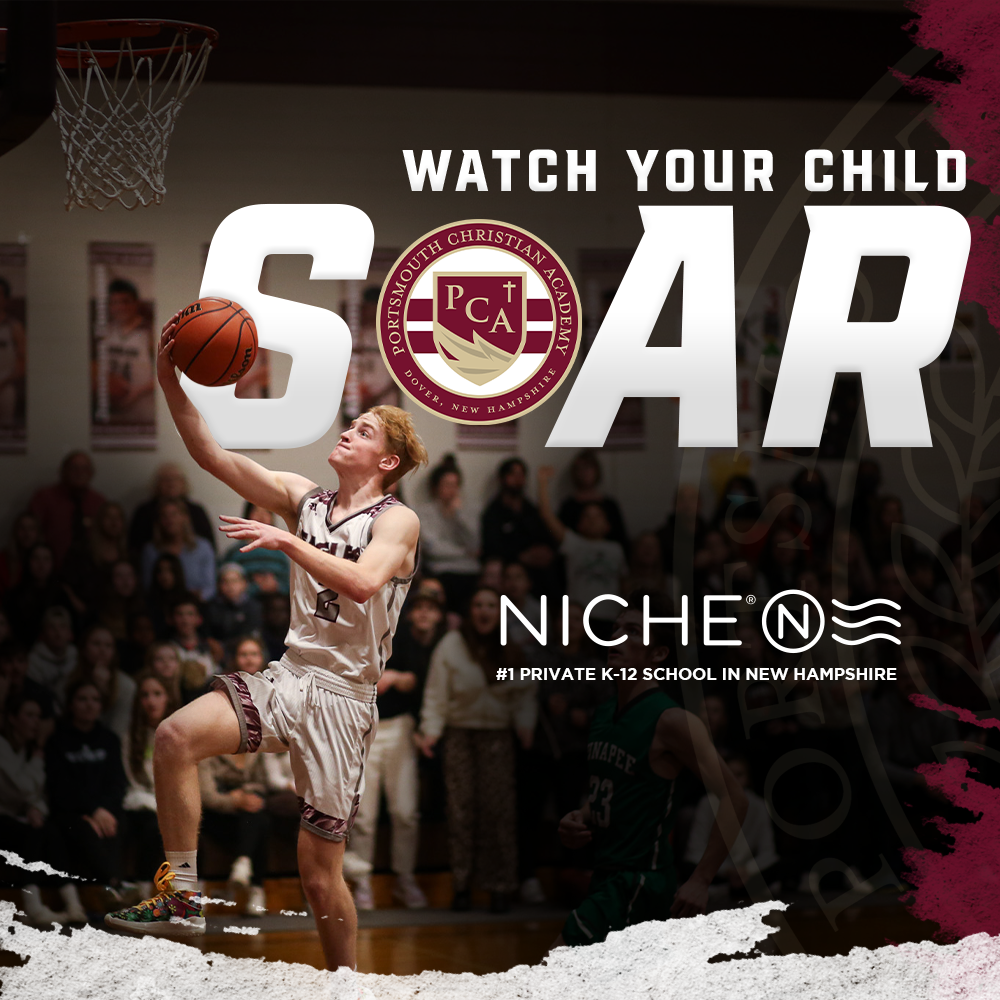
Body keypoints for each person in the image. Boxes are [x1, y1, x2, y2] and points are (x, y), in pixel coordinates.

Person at [106, 309, 426, 974]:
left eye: (363, 430)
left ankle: (345, 986)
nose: (348, 431)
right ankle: (184, 895)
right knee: (172, 738)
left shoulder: (399, 521)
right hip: (290, 676)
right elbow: (211, 454)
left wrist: (286, 542)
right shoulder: (302, 497)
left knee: (317, 877)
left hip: (343, 699)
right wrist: (170, 381)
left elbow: (365, 584)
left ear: (387, 460)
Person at [554, 592, 748, 947]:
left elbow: (735, 798)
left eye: (632, 631)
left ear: (658, 654)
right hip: (605, 875)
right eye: (614, 629)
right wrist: (578, 818)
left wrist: (702, 879)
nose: (616, 637)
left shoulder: (672, 720)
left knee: (555, 969)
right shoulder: (603, 714)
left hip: (640, 881)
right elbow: (618, 791)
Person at [417, 587, 535, 913]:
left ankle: (499, 887)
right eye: (478, 604)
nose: (484, 611)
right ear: (470, 610)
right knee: (461, 812)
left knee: (498, 813)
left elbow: (525, 692)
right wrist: (431, 730)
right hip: (459, 735)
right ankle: (462, 886)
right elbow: (436, 692)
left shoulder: (510, 648)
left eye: (491, 606)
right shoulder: (452, 645)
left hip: (497, 735)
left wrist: (526, 723)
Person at [346, 583, 445, 911]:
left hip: (401, 727)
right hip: (365, 727)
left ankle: (404, 879)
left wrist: (398, 678)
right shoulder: (357, 627)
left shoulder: (408, 637)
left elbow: (418, 681)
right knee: (365, 815)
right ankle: (362, 883)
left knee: (405, 811)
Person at [0, 692, 87, 926]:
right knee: (32, 832)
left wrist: (35, 808)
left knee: (50, 830)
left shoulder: (27, 750)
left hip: (21, 817)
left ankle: (73, 904)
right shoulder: (5, 747)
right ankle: (32, 907)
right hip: (4, 818)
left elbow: (39, 794)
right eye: (29, 715)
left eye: (38, 716)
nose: (36, 722)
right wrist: (38, 753)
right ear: (11, 718)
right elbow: (21, 789)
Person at [45, 678, 127, 889]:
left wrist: (104, 810)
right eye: (82, 699)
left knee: (116, 826)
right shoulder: (57, 741)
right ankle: (115, 886)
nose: (89, 704)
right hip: (71, 812)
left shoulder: (109, 740)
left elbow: (117, 782)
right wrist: (92, 811)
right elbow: (60, 788)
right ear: (71, 704)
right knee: (84, 830)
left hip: (106, 810)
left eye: (95, 699)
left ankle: (114, 889)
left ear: (101, 706)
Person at [538, 465, 627, 641]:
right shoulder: (574, 544)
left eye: (597, 516)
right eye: (587, 517)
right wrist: (542, 483)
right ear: (579, 525)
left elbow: (624, 581)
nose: (592, 520)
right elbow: (547, 516)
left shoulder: (616, 549)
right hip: (580, 617)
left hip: (610, 616)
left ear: (608, 525)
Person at [122, 670, 179, 888]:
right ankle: (142, 889)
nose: (151, 701)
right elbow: (133, 782)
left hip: (173, 804)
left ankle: (188, 894)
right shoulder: (132, 736)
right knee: (149, 826)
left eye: (157, 694)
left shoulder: (180, 734)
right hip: (143, 804)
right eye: (145, 695)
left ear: (168, 698)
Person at [416, 454, 480, 613]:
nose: (452, 490)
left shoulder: (467, 511)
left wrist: (458, 515)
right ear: (436, 487)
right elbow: (432, 549)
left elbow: (475, 544)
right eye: (447, 484)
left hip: (469, 570)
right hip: (441, 570)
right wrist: (465, 552)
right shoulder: (424, 513)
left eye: (455, 485)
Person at [480, 458, 555, 590]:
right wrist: (520, 556)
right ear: (502, 478)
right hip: (508, 563)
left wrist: (546, 551)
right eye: (513, 474)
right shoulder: (493, 512)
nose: (517, 479)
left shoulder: (531, 509)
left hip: (537, 567)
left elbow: (546, 535)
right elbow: (491, 547)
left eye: (521, 475)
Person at [28, 451, 106, 569]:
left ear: (91, 473)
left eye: (84, 469)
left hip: (92, 571)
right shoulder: (44, 498)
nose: (79, 473)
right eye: (74, 468)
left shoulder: (99, 502)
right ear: (63, 471)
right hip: (51, 571)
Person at [99, 278, 155, 427]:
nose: (120, 307)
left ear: (136, 303)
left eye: (125, 301)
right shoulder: (104, 332)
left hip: (142, 413)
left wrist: (136, 392)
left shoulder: (150, 333)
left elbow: (165, 373)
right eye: (115, 302)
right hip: (112, 414)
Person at [65, 625, 137, 741]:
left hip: (107, 747)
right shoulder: (68, 679)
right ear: (84, 648)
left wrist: (103, 691)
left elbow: (118, 730)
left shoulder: (126, 685)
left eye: (108, 646)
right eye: (96, 644)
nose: (102, 650)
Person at [128, 462, 215, 557]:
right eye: (166, 480)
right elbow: (135, 546)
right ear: (157, 484)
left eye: (176, 479)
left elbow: (210, 546)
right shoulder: (144, 512)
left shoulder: (196, 511)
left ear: (183, 483)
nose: (171, 483)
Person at [140, 499, 217, 602]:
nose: (170, 520)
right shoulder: (151, 550)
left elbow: (210, 587)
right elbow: (148, 587)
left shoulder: (203, 547)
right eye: (164, 516)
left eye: (174, 514)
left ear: (185, 518)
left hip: (197, 606)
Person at [556, 450, 628, 551]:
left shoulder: (610, 505)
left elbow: (621, 537)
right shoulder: (568, 506)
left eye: (588, 467)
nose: (584, 472)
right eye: (579, 468)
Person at [222, 502, 291, 596]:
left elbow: (289, 585)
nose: (261, 516)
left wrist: (275, 586)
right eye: (256, 511)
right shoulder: (235, 552)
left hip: (276, 600)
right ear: (247, 516)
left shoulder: (281, 553)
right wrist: (254, 587)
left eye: (266, 512)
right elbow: (224, 583)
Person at [0, 275, 26, 431]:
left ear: (6, 299)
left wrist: (4, 382)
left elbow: (23, 363)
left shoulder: (14, 326)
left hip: (6, 387)